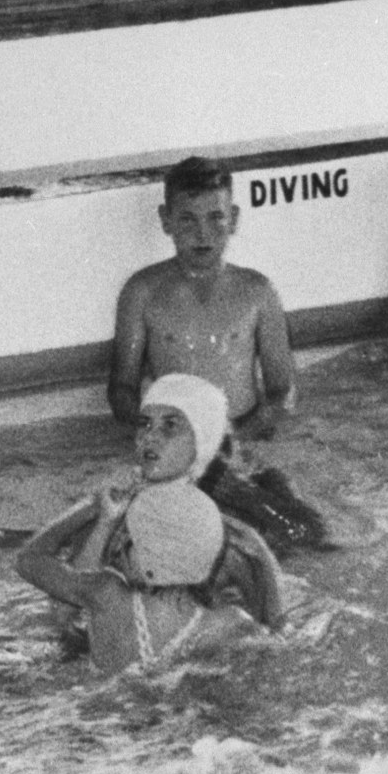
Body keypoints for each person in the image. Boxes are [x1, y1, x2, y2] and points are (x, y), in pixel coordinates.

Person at [110, 155, 329, 550]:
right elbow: (122, 389)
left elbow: (283, 391)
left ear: (235, 218)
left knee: (303, 532)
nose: (202, 234)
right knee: (137, 534)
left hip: (242, 438)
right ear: (166, 220)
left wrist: (239, 438)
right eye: (188, 219)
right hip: (175, 443)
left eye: (216, 218)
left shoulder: (257, 292)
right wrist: (160, 439)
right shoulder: (142, 292)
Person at [14, 375, 287, 673]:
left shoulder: (236, 540)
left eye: (170, 426)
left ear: (202, 438)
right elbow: (63, 617)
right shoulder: (107, 510)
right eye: (144, 423)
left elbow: (274, 629)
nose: (150, 437)